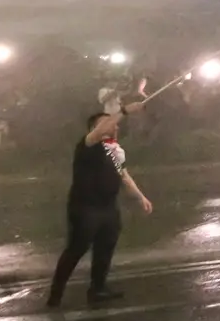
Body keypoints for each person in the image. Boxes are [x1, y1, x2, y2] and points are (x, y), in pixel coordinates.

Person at [48, 106, 153, 307]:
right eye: (108, 123)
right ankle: (56, 294)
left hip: (108, 207)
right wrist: (123, 110)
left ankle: (98, 289)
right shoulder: (87, 145)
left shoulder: (114, 151)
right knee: (76, 249)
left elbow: (124, 176)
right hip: (85, 208)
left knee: (105, 248)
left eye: (114, 124)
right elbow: (99, 132)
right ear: (94, 129)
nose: (114, 127)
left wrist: (141, 197)